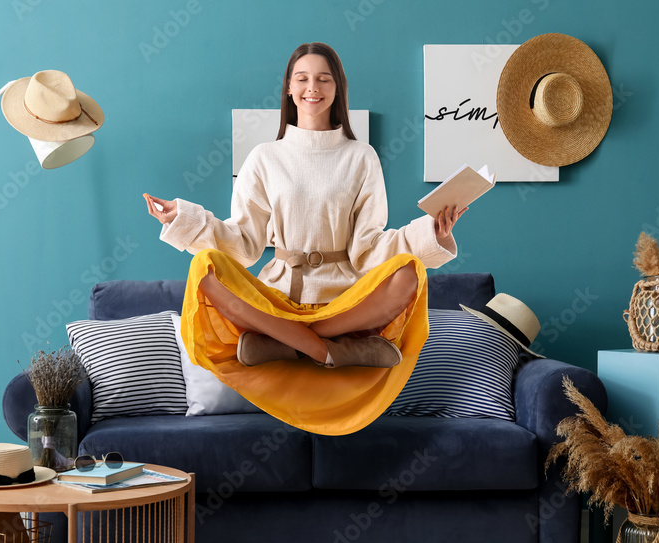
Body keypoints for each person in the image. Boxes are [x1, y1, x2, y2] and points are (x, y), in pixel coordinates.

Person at [143, 42, 463, 435]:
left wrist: (432, 231)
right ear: (290, 90)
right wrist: (183, 217)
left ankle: (291, 342)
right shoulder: (264, 156)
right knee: (204, 268)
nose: (313, 87)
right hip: (279, 299)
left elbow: (369, 249)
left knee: (411, 274)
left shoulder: (361, 157)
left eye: (323, 78)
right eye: (303, 78)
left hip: (343, 302)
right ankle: (328, 350)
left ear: (337, 88)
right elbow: (242, 243)